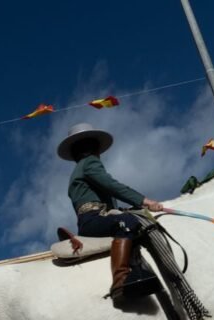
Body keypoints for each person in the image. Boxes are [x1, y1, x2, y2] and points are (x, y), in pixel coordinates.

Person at [58, 122, 164, 304]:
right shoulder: (90, 163)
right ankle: (120, 281)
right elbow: (111, 185)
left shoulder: (77, 171)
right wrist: (145, 201)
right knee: (127, 222)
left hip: (90, 219)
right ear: (95, 149)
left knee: (128, 219)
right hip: (93, 219)